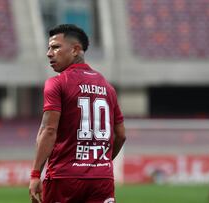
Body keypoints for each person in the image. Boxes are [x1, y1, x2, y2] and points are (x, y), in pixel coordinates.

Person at [29, 24, 126, 203]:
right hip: (102, 179)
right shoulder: (108, 88)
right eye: (49, 48)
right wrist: (99, 162)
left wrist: (35, 174)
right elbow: (121, 135)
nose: (49, 53)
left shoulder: (57, 83)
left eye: (55, 47)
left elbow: (49, 130)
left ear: (75, 50)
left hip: (64, 178)